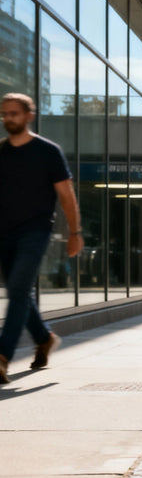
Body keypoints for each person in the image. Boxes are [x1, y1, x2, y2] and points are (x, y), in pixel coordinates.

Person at [0, 93, 83, 383]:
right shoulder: (1, 152)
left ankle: (2, 355)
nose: (8, 118)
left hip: (35, 232)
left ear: (29, 116)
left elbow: (66, 195)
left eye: (14, 113)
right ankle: (43, 338)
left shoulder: (48, 151)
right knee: (19, 291)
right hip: (4, 233)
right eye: (5, 114)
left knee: (18, 289)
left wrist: (75, 233)